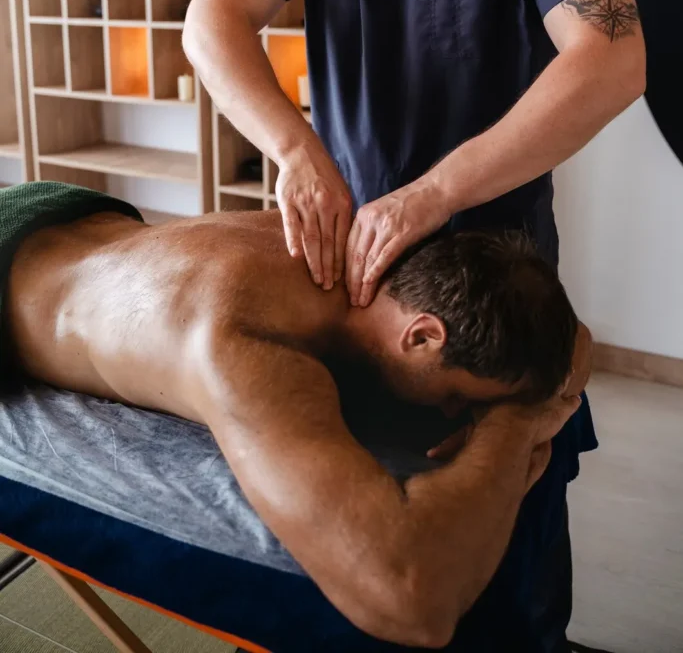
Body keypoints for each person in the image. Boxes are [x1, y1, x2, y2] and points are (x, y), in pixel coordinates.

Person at [183, 0, 646, 650]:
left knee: (513, 518)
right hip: (356, 278)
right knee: (372, 535)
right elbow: (209, 24)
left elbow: (613, 58)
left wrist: (432, 193)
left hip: (493, 274)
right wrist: (295, 149)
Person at [2, 181, 589, 650]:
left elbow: (576, 342)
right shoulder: (249, 343)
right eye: (462, 396)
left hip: (52, 210)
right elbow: (411, 603)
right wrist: (516, 428)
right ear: (423, 335)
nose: (456, 413)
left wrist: (532, 394)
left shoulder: (377, 246)